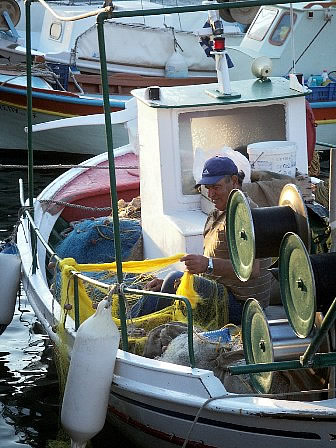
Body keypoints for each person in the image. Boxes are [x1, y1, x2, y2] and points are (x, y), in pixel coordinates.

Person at [130, 156, 272, 324]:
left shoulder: (247, 216)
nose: (211, 194)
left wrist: (207, 265)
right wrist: (170, 285)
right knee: (166, 285)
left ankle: (127, 326)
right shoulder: (216, 214)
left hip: (244, 307)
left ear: (234, 181)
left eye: (216, 187)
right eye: (207, 188)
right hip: (223, 293)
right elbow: (213, 272)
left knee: (173, 280)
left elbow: (253, 270)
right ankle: (130, 323)